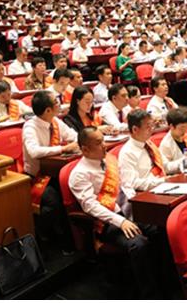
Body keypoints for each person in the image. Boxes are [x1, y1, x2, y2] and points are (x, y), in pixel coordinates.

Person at [68, 127, 163, 298]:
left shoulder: (109, 160)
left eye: (103, 140)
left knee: (161, 226)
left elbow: (125, 185)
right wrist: (121, 221)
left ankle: (165, 279)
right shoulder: (79, 174)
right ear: (85, 149)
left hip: (129, 209)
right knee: (138, 243)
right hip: (108, 222)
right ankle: (149, 294)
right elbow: (90, 206)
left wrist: (136, 203)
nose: (104, 145)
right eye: (99, 143)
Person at [22, 90, 79, 254]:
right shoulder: (30, 127)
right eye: (56, 102)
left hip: (55, 172)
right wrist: (63, 148)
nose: (59, 104)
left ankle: (73, 241)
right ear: (47, 110)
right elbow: (34, 151)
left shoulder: (55, 121)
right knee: (55, 202)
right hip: (37, 176)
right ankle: (42, 236)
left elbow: (74, 136)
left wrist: (74, 143)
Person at [118, 109, 165, 198]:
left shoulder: (149, 144)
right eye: (148, 127)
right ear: (135, 129)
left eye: (152, 125)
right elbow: (132, 183)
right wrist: (161, 181)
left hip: (161, 185)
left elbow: (163, 165)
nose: (151, 129)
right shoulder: (127, 153)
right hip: (147, 194)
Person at [158, 107, 187, 174]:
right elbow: (166, 168)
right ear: (171, 126)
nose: (184, 130)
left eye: (186, 127)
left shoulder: (186, 137)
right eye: (182, 128)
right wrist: (185, 159)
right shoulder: (166, 144)